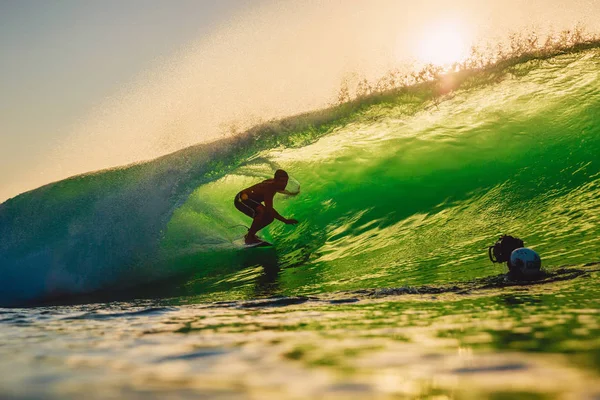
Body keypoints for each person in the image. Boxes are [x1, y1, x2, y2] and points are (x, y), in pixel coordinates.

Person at [234, 169, 299, 244]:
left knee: (269, 218)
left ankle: (250, 235)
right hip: (241, 200)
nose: (284, 184)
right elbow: (269, 209)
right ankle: (249, 238)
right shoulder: (269, 189)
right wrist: (285, 220)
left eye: (285, 181)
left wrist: (290, 193)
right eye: (281, 181)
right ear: (275, 180)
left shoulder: (273, 183)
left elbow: (277, 188)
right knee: (261, 212)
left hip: (251, 200)